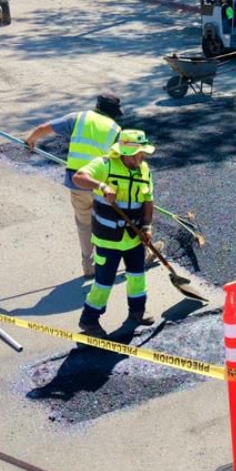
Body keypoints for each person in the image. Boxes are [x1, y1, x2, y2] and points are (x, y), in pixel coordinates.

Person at [24, 94, 124, 278]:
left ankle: (88, 266)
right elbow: (121, 160)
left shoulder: (78, 118)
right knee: (117, 222)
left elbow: (43, 128)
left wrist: (30, 139)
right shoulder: (116, 129)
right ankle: (139, 257)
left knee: (84, 224)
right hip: (102, 184)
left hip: (77, 182)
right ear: (112, 113)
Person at [72, 129, 157, 337]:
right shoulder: (105, 165)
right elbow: (78, 177)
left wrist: (146, 226)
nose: (144, 156)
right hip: (107, 238)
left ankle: (137, 312)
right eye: (140, 152)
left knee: (137, 276)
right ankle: (89, 320)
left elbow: (148, 200)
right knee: (103, 282)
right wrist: (102, 186)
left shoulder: (144, 169)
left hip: (134, 237)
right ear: (127, 152)